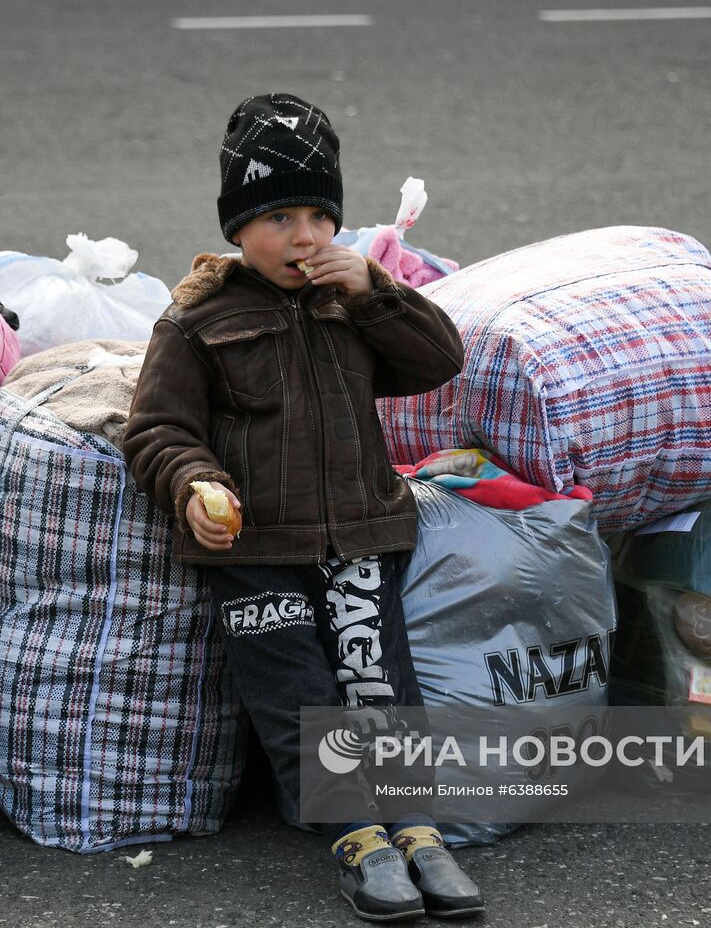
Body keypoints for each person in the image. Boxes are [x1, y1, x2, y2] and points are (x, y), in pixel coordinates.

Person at [124, 93, 482, 922]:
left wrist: (375, 288)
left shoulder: (349, 302)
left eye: (320, 215)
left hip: (360, 531)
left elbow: (439, 358)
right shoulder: (195, 320)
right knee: (299, 694)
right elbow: (156, 429)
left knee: (377, 679)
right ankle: (358, 837)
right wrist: (192, 487)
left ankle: (420, 830)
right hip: (256, 548)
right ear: (238, 228)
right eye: (279, 216)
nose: (305, 236)